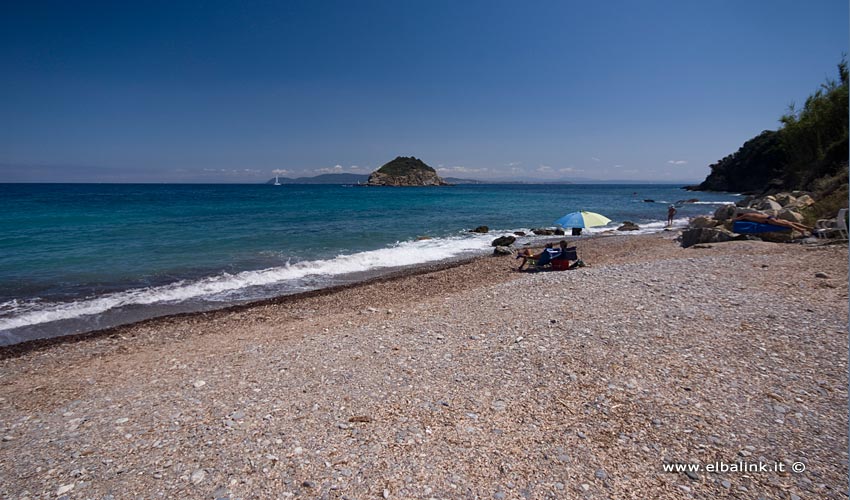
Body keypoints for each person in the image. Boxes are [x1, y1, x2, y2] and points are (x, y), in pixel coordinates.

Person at [733, 213, 812, 234]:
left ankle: (800, 230)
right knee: (790, 222)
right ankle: (807, 228)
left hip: (768, 220)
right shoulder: (751, 214)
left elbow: (736, 219)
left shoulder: (745, 215)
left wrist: (732, 219)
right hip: (770, 217)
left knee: (786, 224)